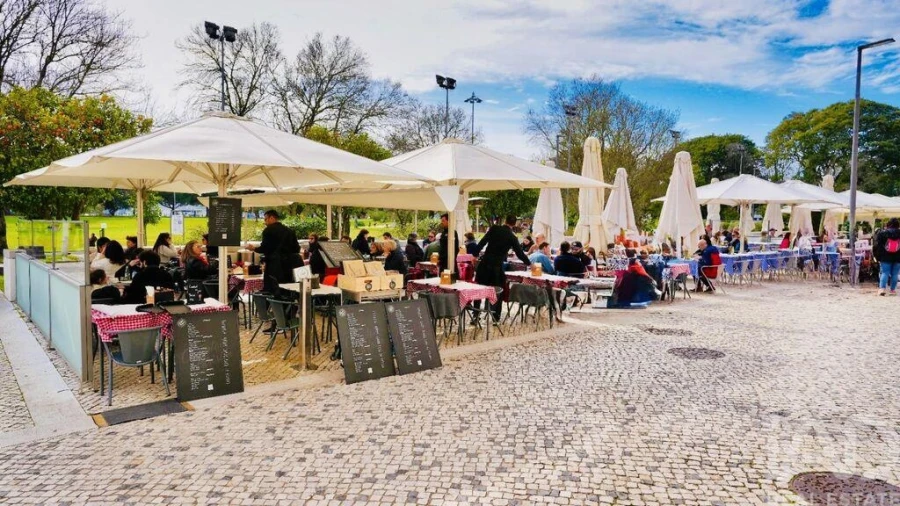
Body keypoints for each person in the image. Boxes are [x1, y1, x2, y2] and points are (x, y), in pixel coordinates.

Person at [474, 215, 530, 322]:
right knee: (498, 291)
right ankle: (496, 317)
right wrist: (529, 263)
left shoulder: (494, 229)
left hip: (485, 264)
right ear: (514, 224)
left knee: (479, 289)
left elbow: (482, 242)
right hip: (497, 267)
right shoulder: (512, 237)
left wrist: (474, 254)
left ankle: (475, 315)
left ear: (505, 221)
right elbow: (520, 253)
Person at [246, 210, 302, 293]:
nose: (265, 222)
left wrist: (253, 248)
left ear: (271, 218)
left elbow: (265, 249)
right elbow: (297, 249)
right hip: (289, 266)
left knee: (273, 291)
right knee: (287, 290)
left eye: (265, 219)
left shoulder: (268, 231)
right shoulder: (290, 231)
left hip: (274, 266)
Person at [873, 217, 900, 296]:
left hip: (885, 256)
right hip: (898, 257)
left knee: (884, 273)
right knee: (895, 274)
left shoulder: (882, 233)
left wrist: (877, 256)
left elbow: (877, 246)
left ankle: (882, 289)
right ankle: (892, 290)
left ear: (888, 224)